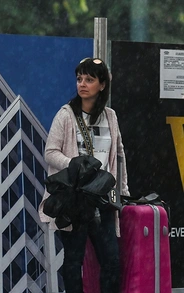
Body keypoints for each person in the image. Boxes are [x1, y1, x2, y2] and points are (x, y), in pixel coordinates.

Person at [38, 57, 129, 293]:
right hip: (75, 199)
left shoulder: (111, 116)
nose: (82, 84)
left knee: (111, 260)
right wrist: (74, 163)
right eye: (79, 79)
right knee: (73, 261)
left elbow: (119, 156)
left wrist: (124, 191)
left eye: (89, 79)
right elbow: (50, 152)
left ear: (102, 85)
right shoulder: (66, 115)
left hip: (103, 199)